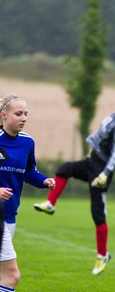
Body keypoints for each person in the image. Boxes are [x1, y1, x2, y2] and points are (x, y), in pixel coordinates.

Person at [34, 64, 115, 275]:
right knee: (64, 169)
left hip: (102, 170)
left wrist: (104, 175)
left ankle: (102, 255)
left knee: (97, 213)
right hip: (91, 162)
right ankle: (50, 203)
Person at [0, 94, 55, 292]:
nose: (23, 118)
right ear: (3, 115)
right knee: (12, 276)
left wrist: (44, 181)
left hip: (10, 216)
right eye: (18, 113)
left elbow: (29, 171)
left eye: (26, 114)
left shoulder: (27, 142)